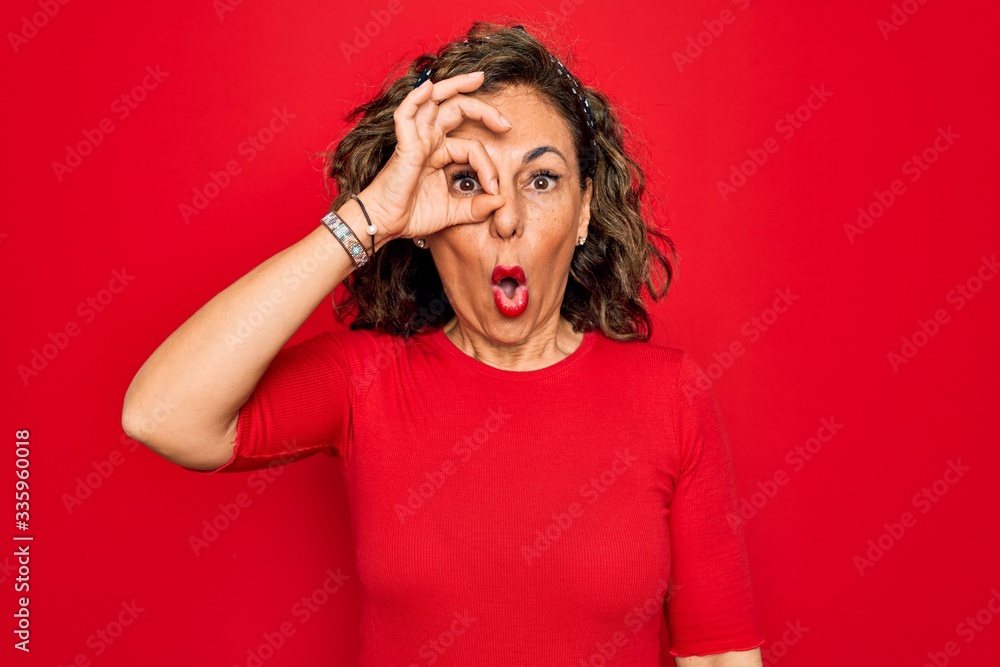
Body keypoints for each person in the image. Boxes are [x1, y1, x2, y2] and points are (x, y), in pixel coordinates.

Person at [122, 21, 765, 666]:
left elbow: (717, 656)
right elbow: (162, 415)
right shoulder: (366, 381)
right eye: (467, 182)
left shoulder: (670, 395)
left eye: (541, 180)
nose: (507, 216)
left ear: (585, 210)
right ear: (426, 224)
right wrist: (370, 219)